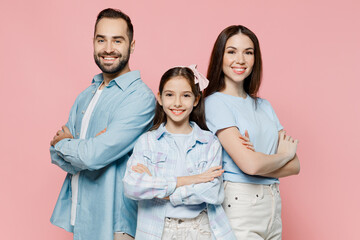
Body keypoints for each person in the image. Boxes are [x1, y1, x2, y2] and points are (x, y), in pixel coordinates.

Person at [49, 8, 155, 240]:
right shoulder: (86, 95)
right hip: (81, 216)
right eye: (101, 40)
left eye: (117, 40)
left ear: (132, 45)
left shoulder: (140, 98)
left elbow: (92, 156)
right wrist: (77, 149)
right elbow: (55, 153)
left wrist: (68, 145)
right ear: (93, 43)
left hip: (116, 224)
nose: (108, 49)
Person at [204, 25, 300, 240]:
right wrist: (282, 155)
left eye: (248, 52)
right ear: (220, 56)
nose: (240, 59)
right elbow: (251, 164)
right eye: (231, 51)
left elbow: (296, 166)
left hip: (273, 205)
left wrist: (258, 161)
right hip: (241, 204)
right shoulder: (215, 104)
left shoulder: (264, 106)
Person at [123, 66, 237, 240]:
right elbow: (132, 186)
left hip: (201, 228)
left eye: (185, 95)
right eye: (169, 95)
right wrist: (190, 180)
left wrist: (160, 191)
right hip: (158, 230)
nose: (177, 103)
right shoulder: (147, 142)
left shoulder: (209, 142)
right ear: (160, 98)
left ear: (196, 99)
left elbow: (213, 192)